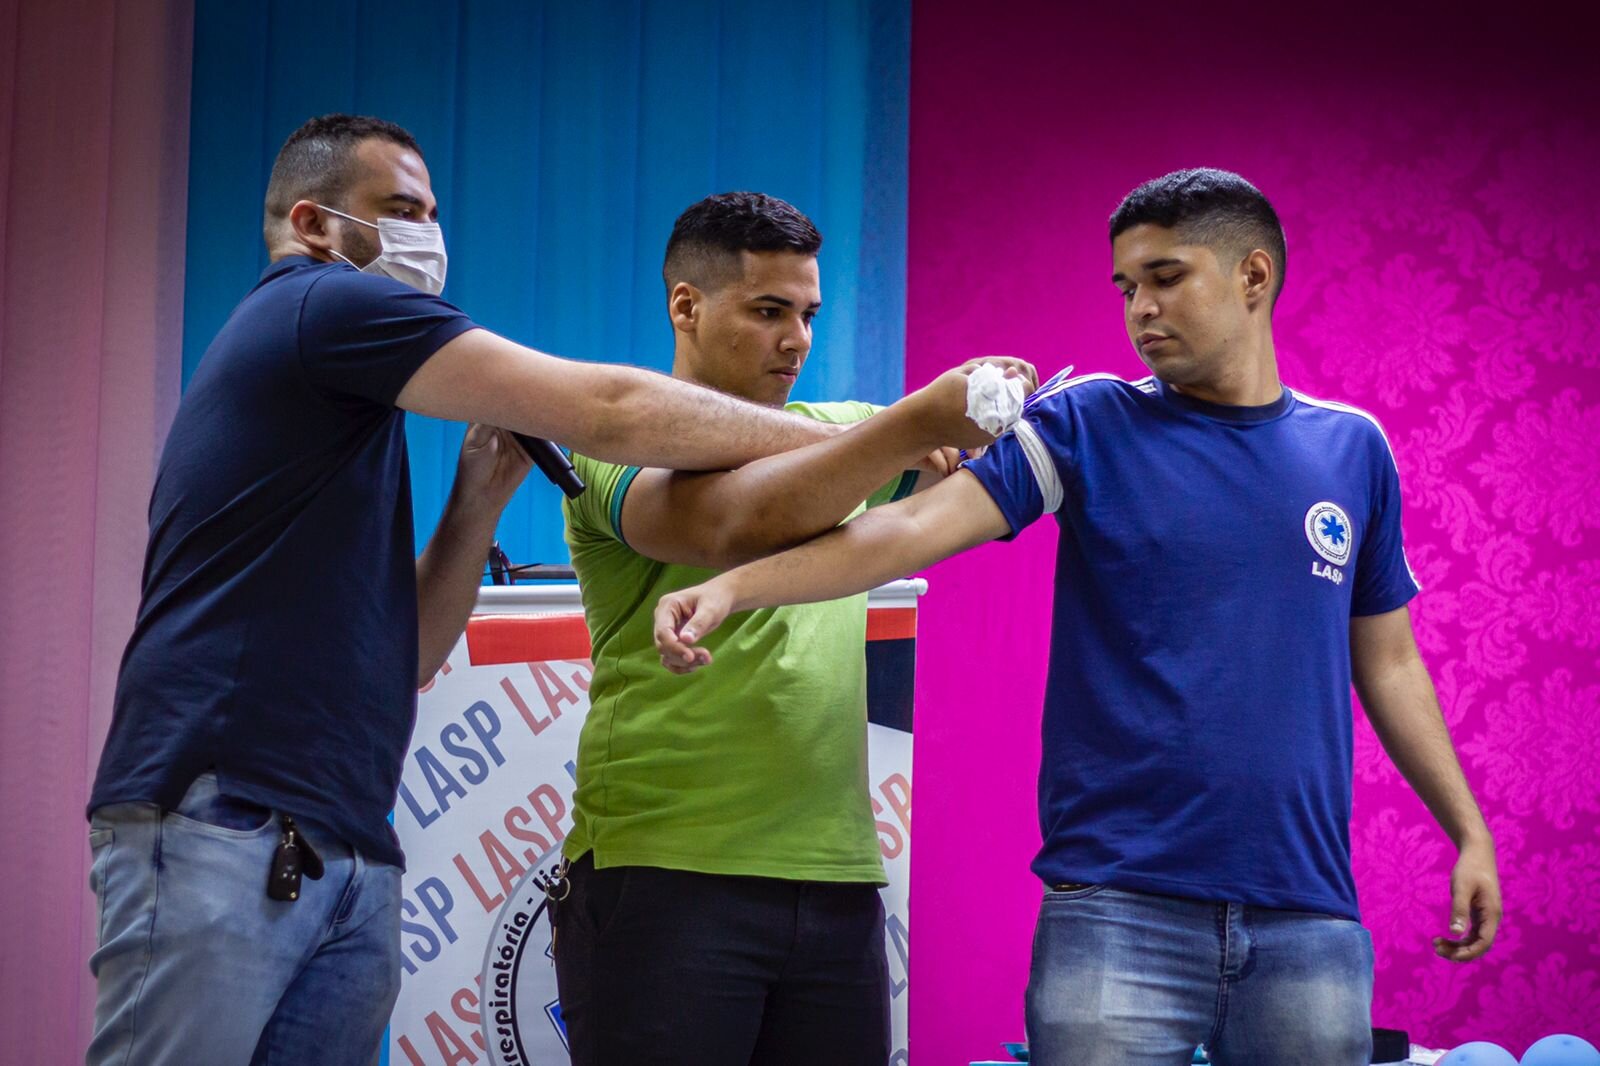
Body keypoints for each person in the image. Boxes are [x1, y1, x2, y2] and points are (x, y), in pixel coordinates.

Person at [83, 115, 978, 1066]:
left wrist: (472, 509)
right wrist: (884, 438)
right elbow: (623, 420)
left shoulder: (351, 414)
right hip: (229, 815)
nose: (429, 235)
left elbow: (415, 656)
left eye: (432, 212)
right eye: (400, 211)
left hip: (342, 838)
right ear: (313, 224)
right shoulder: (320, 305)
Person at [653, 169, 1503, 1066]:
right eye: (1126, 286)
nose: (1140, 308)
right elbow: (902, 531)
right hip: (1116, 913)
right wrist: (736, 587)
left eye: (1167, 278)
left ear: (1254, 277)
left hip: (1309, 915)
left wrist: (1468, 831)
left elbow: (1391, 663)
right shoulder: (1085, 422)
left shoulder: (1353, 450)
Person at [552, 190, 1032, 1065]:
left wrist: (1008, 403)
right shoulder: (607, 443)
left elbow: (963, 491)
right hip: (665, 871)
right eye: (769, 311)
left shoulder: (851, 434)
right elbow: (735, 524)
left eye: (808, 314)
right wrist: (913, 424)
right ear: (686, 306)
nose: (797, 339)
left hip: (838, 877)